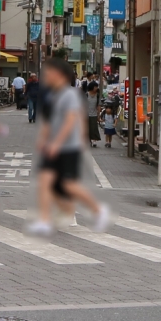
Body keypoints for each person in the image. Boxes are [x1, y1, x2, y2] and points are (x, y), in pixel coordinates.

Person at [26, 59, 110, 235]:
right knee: (46, 181)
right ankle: (45, 220)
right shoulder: (52, 94)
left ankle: (97, 210)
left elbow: (71, 120)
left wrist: (58, 143)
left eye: (50, 73)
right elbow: (49, 120)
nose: (47, 76)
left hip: (67, 147)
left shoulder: (70, 94)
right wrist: (44, 139)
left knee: (67, 185)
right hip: (54, 146)